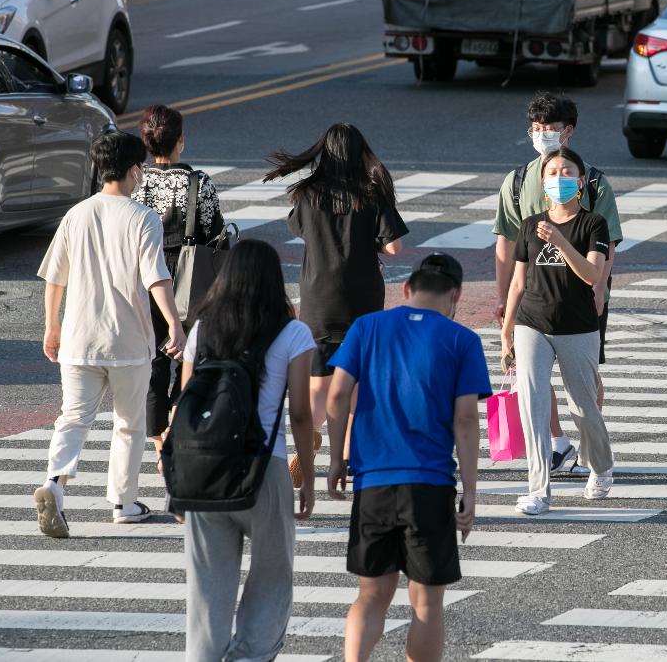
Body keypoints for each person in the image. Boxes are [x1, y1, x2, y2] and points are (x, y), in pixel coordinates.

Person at [325, 253, 490, 662]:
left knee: (371, 595)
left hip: (373, 481)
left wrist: (335, 459)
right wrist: (470, 491)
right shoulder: (462, 341)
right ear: (455, 295)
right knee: (426, 604)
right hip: (429, 484)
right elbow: (466, 419)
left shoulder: (367, 327)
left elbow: (337, 394)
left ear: (406, 289)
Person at [34, 131, 186, 538]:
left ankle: (54, 484)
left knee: (73, 418)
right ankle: (124, 502)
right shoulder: (142, 217)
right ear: (135, 170)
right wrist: (174, 323)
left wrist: (52, 326)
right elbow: (157, 278)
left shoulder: (76, 214)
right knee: (129, 422)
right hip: (128, 341)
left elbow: (54, 278)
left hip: (78, 338)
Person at [180, 239, 317, 662]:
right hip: (265, 470)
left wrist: (176, 476)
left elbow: (185, 402)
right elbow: (299, 413)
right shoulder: (293, 332)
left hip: (204, 472)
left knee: (206, 590)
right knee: (272, 579)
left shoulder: (202, 329)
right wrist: (308, 475)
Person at [265, 123, 407, 487]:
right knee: (356, 385)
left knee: (318, 383)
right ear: (361, 153)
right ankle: (344, 458)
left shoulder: (308, 193)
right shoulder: (372, 193)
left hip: (318, 299)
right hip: (362, 300)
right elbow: (394, 248)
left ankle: (307, 441)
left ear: (325, 153)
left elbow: (298, 229)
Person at [493, 92, 622, 477]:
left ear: (568, 132)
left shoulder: (592, 181)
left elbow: (607, 240)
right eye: (536, 129)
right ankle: (555, 442)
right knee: (531, 373)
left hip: (582, 292)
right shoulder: (517, 182)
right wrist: (504, 299)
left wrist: (599, 289)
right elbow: (505, 241)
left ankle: (587, 447)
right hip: (532, 296)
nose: (542, 135)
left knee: (584, 380)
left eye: (550, 129)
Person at [501, 148, 616, 517]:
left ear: (580, 182)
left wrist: (560, 241)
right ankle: (538, 490)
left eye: (567, 171)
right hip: (531, 322)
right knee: (531, 406)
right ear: (542, 180)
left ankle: (600, 466)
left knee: (582, 406)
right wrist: (506, 331)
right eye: (552, 172)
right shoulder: (530, 222)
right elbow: (519, 281)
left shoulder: (592, 224)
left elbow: (592, 275)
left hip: (578, 326)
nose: (558, 177)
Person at [132, 104, 224, 471]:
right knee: (191, 357)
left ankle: (157, 441)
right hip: (191, 279)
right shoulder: (199, 184)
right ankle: (176, 420)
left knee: (153, 361)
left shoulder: (136, 181)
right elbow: (216, 233)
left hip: (146, 279)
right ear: (180, 141)